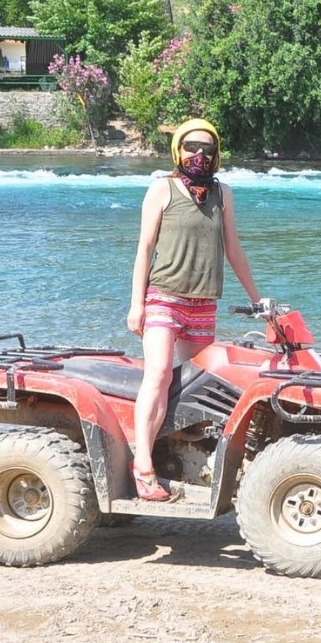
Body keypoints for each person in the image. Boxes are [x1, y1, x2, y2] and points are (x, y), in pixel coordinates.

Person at [126, 118, 261, 501]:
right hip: (164, 298)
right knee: (157, 375)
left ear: (216, 154)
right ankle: (143, 465)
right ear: (178, 150)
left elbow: (233, 250)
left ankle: (180, 456)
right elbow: (144, 249)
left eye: (206, 149)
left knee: (197, 384)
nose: (198, 155)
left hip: (203, 304)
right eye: (191, 147)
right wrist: (137, 304)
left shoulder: (223, 194)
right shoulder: (161, 189)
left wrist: (257, 300)